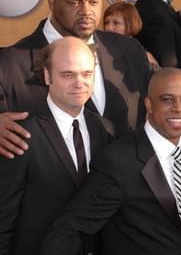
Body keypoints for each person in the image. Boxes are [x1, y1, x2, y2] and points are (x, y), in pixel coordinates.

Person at [40, 68, 181, 255]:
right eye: (167, 99)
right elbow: (70, 228)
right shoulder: (118, 161)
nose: (178, 108)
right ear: (149, 105)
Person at [0, 0, 151, 159]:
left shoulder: (128, 49)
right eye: (74, 1)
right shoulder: (10, 66)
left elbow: (172, 86)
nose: (87, 11)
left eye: (94, 1)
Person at [0, 37, 113, 255]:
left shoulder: (106, 130)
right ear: (47, 75)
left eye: (87, 74)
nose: (80, 82)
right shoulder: (19, 134)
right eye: (68, 74)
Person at [103, 1, 160, 68]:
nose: (109, 28)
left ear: (131, 25)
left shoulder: (144, 56)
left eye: (116, 23)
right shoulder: (100, 50)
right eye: (106, 22)